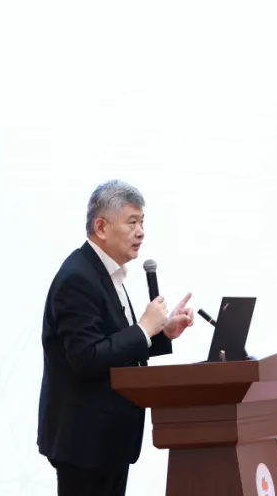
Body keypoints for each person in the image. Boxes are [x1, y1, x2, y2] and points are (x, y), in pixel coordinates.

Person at [37, 180, 195, 496]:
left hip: (107, 441)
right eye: (132, 222)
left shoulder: (104, 273)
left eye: (143, 222)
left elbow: (113, 344)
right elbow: (86, 357)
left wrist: (161, 333)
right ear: (101, 227)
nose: (141, 232)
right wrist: (143, 329)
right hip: (83, 444)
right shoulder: (78, 278)